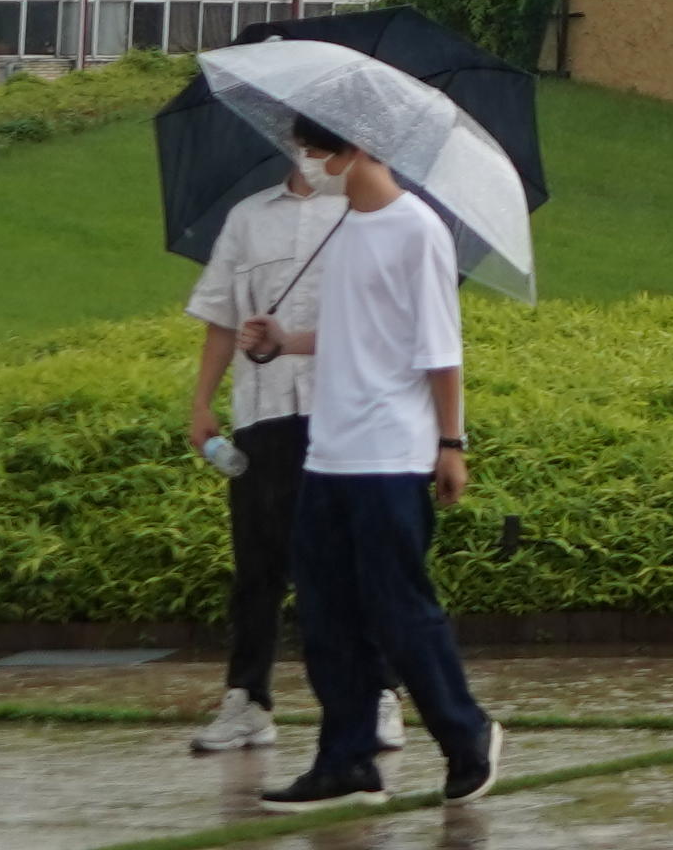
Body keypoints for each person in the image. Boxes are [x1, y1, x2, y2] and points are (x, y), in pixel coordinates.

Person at [262, 117, 493, 809]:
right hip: (330, 453)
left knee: (399, 613)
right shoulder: (345, 230)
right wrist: (283, 340)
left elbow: (438, 347)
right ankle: (347, 758)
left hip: (390, 453)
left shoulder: (415, 229)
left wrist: (450, 445)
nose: (308, 164)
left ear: (356, 149)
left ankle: (467, 735)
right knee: (328, 617)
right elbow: (354, 333)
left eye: (316, 151)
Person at [177, 140, 343, 756]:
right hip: (263, 410)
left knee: (343, 563)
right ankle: (248, 700)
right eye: (299, 143)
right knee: (257, 565)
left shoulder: (362, 216)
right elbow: (221, 313)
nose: (308, 156)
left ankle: (376, 693)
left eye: (320, 145)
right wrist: (201, 402)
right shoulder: (247, 217)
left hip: (339, 412)